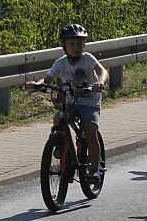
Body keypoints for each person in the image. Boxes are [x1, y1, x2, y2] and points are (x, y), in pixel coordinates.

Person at [30, 23, 108, 183]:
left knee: (90, 130)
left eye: (79, 43)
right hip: (71, 101)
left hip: (89, 102)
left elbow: (102, 71)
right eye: (72, 43)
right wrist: (38, 84)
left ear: (84, 45)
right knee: (59, 119)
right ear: (64, 46)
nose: (76, 47)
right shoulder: (60, 63)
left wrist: (100, 81)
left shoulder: (87, 59)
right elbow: (47, 79)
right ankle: (59, 145)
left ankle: (95, 169)